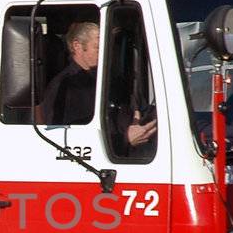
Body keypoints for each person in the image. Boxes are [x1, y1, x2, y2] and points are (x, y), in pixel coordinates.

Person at [40, 19, 157, 147]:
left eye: (107, 47)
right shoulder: (63, 87)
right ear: (77, 46)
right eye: (98, 47)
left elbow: (134, 111)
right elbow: (59, 139)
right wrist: (124, 138)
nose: (105, 53)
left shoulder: (110, 81)